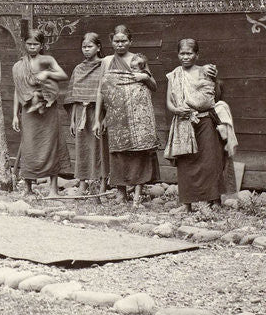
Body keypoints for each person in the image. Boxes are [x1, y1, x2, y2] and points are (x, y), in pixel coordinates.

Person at [92, 25, 159, 206]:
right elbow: (101, 90)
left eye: (124, 41)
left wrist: (144, 77)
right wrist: (98, 119)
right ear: (111, 42)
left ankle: (137, 192)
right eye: (116, 41)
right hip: (116, 115)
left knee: (137, 153)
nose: (120, 45)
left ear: (131, 42)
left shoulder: (138, 59)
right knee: (118, 153)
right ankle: (121, 193)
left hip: (137, 116)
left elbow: (153, 86)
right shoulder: (106, 61)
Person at [165, 38, 232, 211]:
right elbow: (169, 103)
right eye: (182, 53)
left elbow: (210, 98)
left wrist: (193, 104)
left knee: (210, 160)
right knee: (186, 162)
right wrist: (177, 110)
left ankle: (214, 201)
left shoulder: (205, 72)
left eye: (189, 53)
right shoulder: (174, 75)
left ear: (197, 54)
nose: (185, 57)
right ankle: (186, 204)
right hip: (183, 123)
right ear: (177, 54)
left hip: (205, 121)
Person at [12, 29, 70, 197]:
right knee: (29, 146)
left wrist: (46, 73)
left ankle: (53, 189)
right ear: (24, 44)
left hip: (48, 109)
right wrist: (15, 114)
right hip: (28, 111)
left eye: (36, 44)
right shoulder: (18, 66)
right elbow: (18, 90)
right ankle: (28, 188)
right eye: (29, 44)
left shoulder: (47, 60)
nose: (32, 47)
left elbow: (63, 75)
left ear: (42, 45)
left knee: (51, 144)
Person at [63, 32, 108, 196]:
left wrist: (105, 117)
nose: (86, 50)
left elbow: (108, 93)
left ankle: (101, 183)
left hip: (98, 112)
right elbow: (74, 95)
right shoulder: (78, 68)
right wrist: (73, 121)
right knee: (82, 147)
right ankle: (82, 184)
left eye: (90, 46)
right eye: (84, 47)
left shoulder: (104, 66)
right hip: (81, 113)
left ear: (98, 47)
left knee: (100, 147)